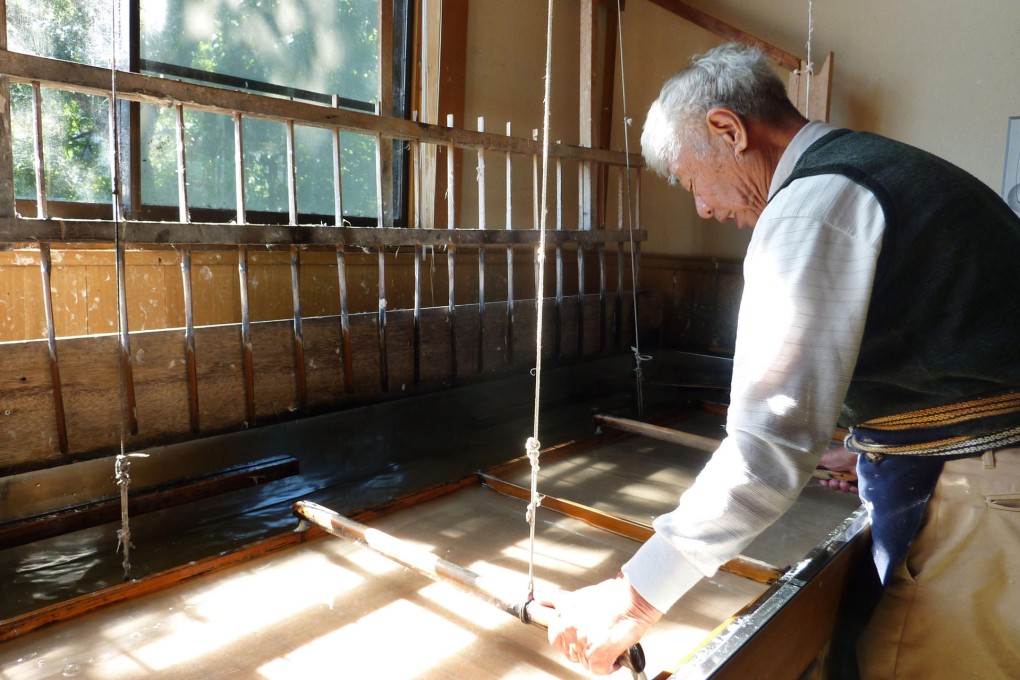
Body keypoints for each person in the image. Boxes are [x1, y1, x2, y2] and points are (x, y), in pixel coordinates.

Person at [544, 42, 1020, 679]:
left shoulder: (812, 204)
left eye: (693, 181)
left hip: (989, 491)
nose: (704, 208)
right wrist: (881, 441)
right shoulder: (873, 167)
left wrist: (634, 594)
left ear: (728, 129)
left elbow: (767, 442)